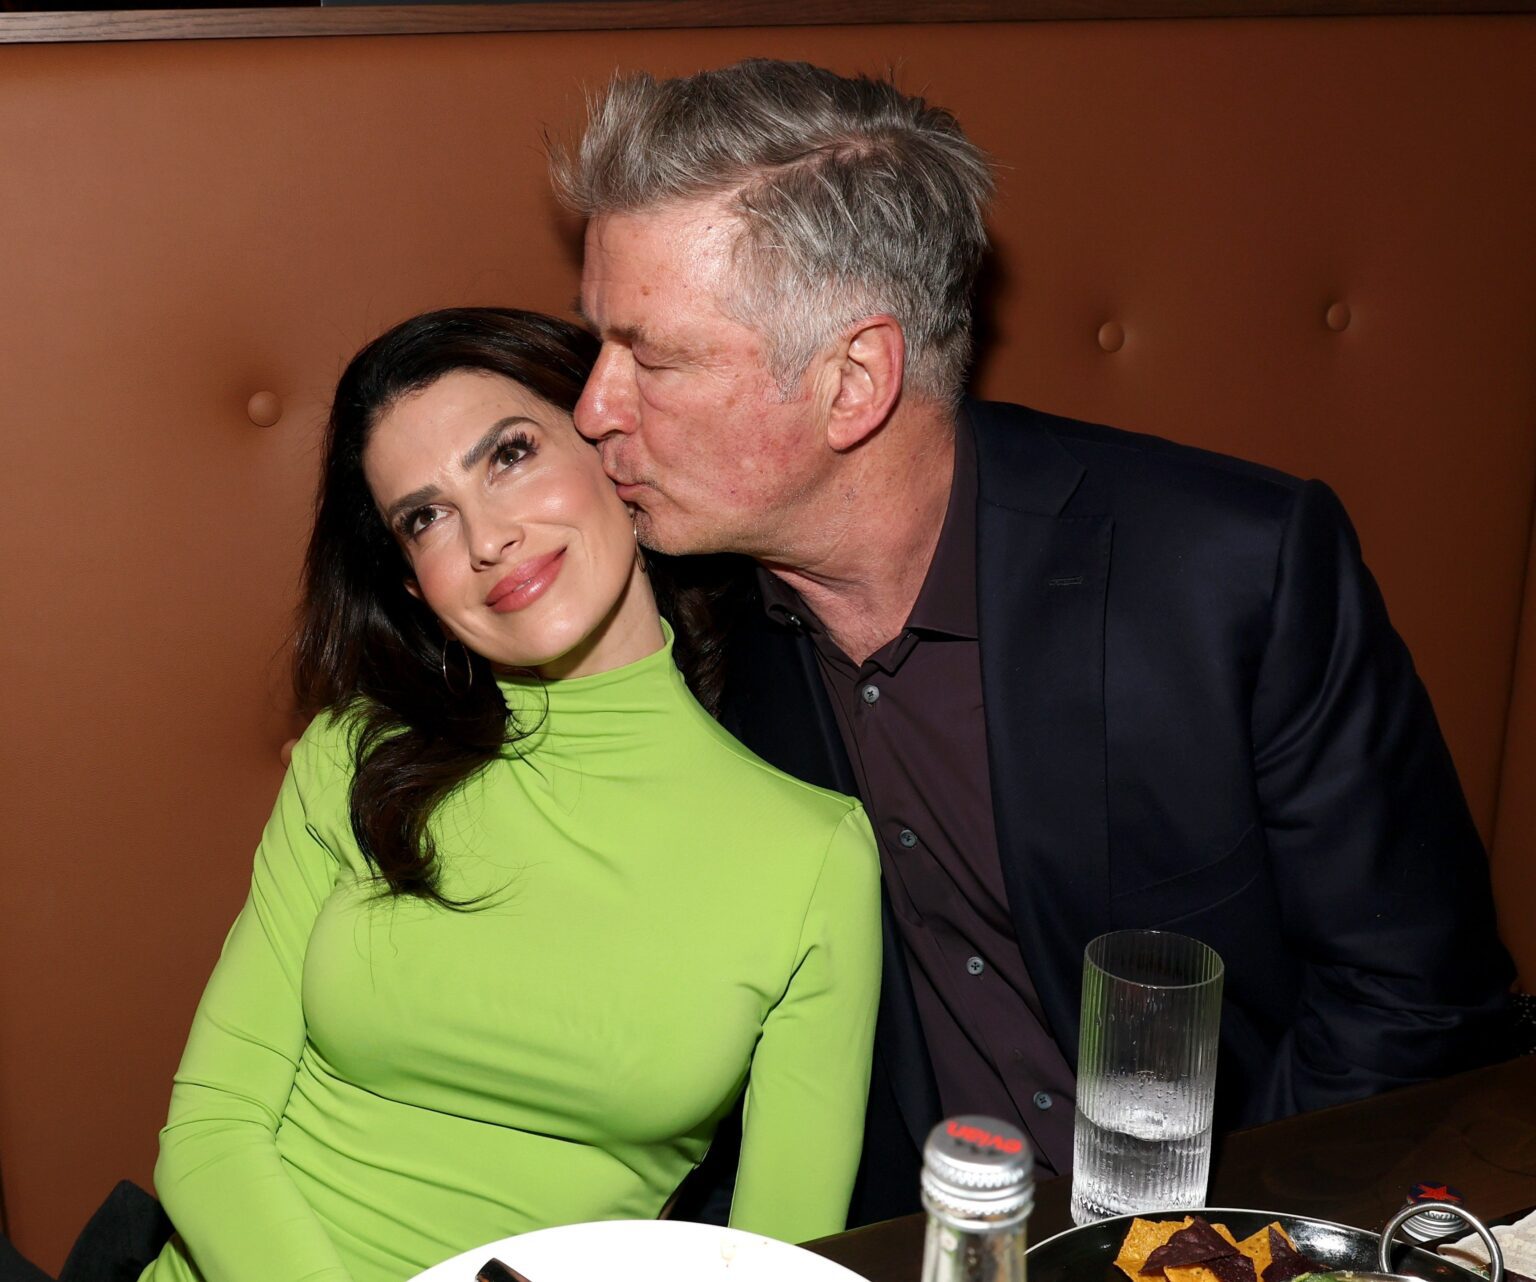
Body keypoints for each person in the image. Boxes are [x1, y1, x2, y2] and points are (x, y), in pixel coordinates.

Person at [553, 59, 1517, 1223]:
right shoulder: (675, 630)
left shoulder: (1226, 577)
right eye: (598, 348)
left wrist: (1206, 1245)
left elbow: (1416, 1000)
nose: (594, 408)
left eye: (653, 359)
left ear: (854, 381)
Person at [123, 308, 881, 1282]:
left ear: (615, 452)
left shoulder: (812, 858)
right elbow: (211, 1129)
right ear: (415, 584)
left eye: (510, 456)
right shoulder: (358, 756)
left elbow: (778, 1264)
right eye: (426, 517)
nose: (487, 538)